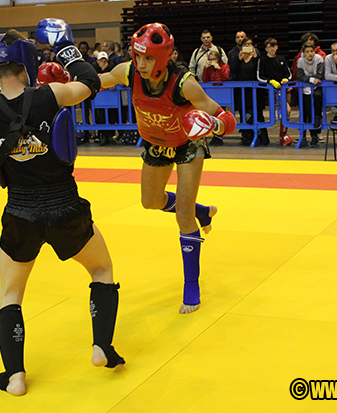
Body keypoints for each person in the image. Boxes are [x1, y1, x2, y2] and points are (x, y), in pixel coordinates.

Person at [0, 23, 124, 396]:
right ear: (25, 62)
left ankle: (15, 377)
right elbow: (90, 82)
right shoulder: (52, 95)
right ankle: (101, 347)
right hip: (65, 207)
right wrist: (65, 46)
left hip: (19, 212)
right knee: (101, 269)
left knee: (11, 295)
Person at [100, 23, 236, 314]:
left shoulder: (184, 83)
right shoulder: (128, 72)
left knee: (182, 216)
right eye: (138, 56)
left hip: (187, 145)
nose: (142, 63)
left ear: (165, 57)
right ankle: (201, 211)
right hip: (155, 143)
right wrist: (63, 83)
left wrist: (214, 124)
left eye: (149, 58)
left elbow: (225, 116)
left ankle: (191, 285)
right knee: (150, 202)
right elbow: (99, 81)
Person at [230, 37, 267, 146]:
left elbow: (261, 72)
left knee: (257, 113)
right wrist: (239, 59)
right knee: (243, 113)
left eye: (249, 44)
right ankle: (246, 137)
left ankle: (261, 136)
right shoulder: (239, 58)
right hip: (242, 92)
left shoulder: (257, 58)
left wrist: (255, 57)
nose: (247, 47)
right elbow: (233, 71)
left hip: (255, 92)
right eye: (245, 45)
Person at [257, 37, 292, 146]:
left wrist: (286, 79)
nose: (272, 49)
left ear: (277, 47)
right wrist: (270, 81)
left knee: (287, 110)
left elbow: (289, 74)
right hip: (268, 91)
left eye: (274, 47)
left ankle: (283, 134)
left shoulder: (281, 59)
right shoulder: (262, 60)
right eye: (269, 47)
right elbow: (259, 76)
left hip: (282, 90)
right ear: (266, 49)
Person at [296, 41, 324, 147]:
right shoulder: (300, 61)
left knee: (315, 112)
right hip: (304, 90)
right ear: (303, 53)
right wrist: (312, 79)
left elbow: (320, 75)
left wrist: (311, 79)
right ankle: (302, 136)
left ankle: (314, 136)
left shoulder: (319, 59)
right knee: (304, 113)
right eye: (307, 52)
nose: (310, 54)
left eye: (311, 51)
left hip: (317, 89)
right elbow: (299, 76)